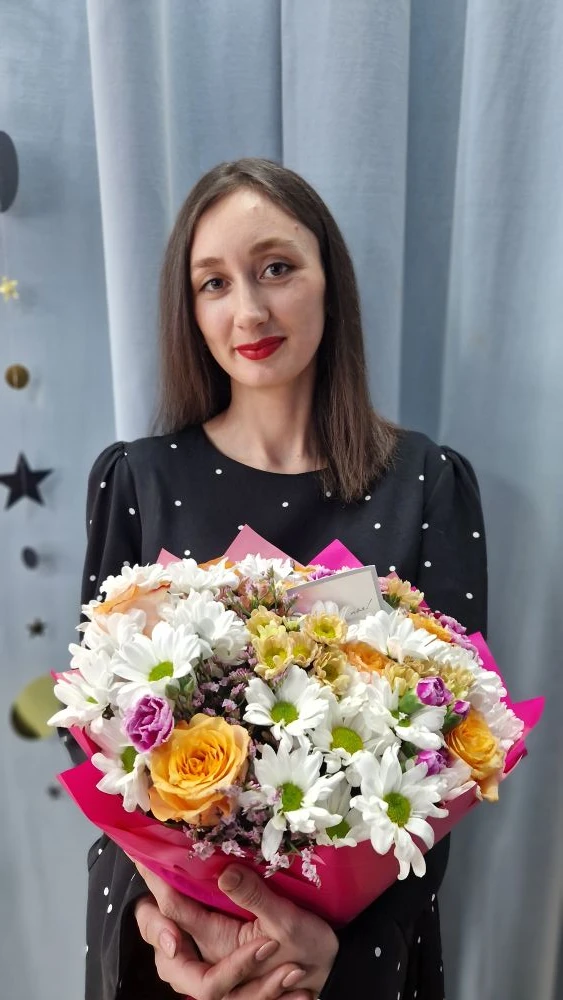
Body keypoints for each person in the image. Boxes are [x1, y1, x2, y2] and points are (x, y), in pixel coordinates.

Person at [78, 158, 487, 999]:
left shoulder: (426, 484)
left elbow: (454, 751)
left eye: (275, 268)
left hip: (356, 959)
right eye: (214, 283)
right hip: (172, 953)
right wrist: (169, 925)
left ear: (329, 281)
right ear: (189, 310)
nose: (249, 311)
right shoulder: (138, 479)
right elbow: (90, 733)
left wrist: (322, 957)